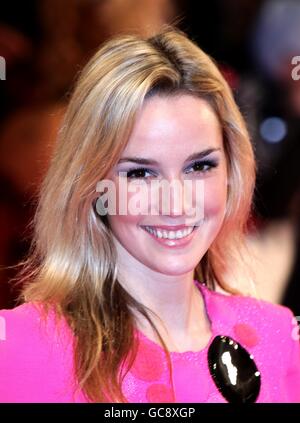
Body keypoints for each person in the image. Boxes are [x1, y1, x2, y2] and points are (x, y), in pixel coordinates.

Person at [0, 26, 299, 403]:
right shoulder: (20, 347)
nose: (175, 204)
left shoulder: (277, 336)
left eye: (199, 167)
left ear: (232, 172)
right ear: (92, 184)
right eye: (141, 173)